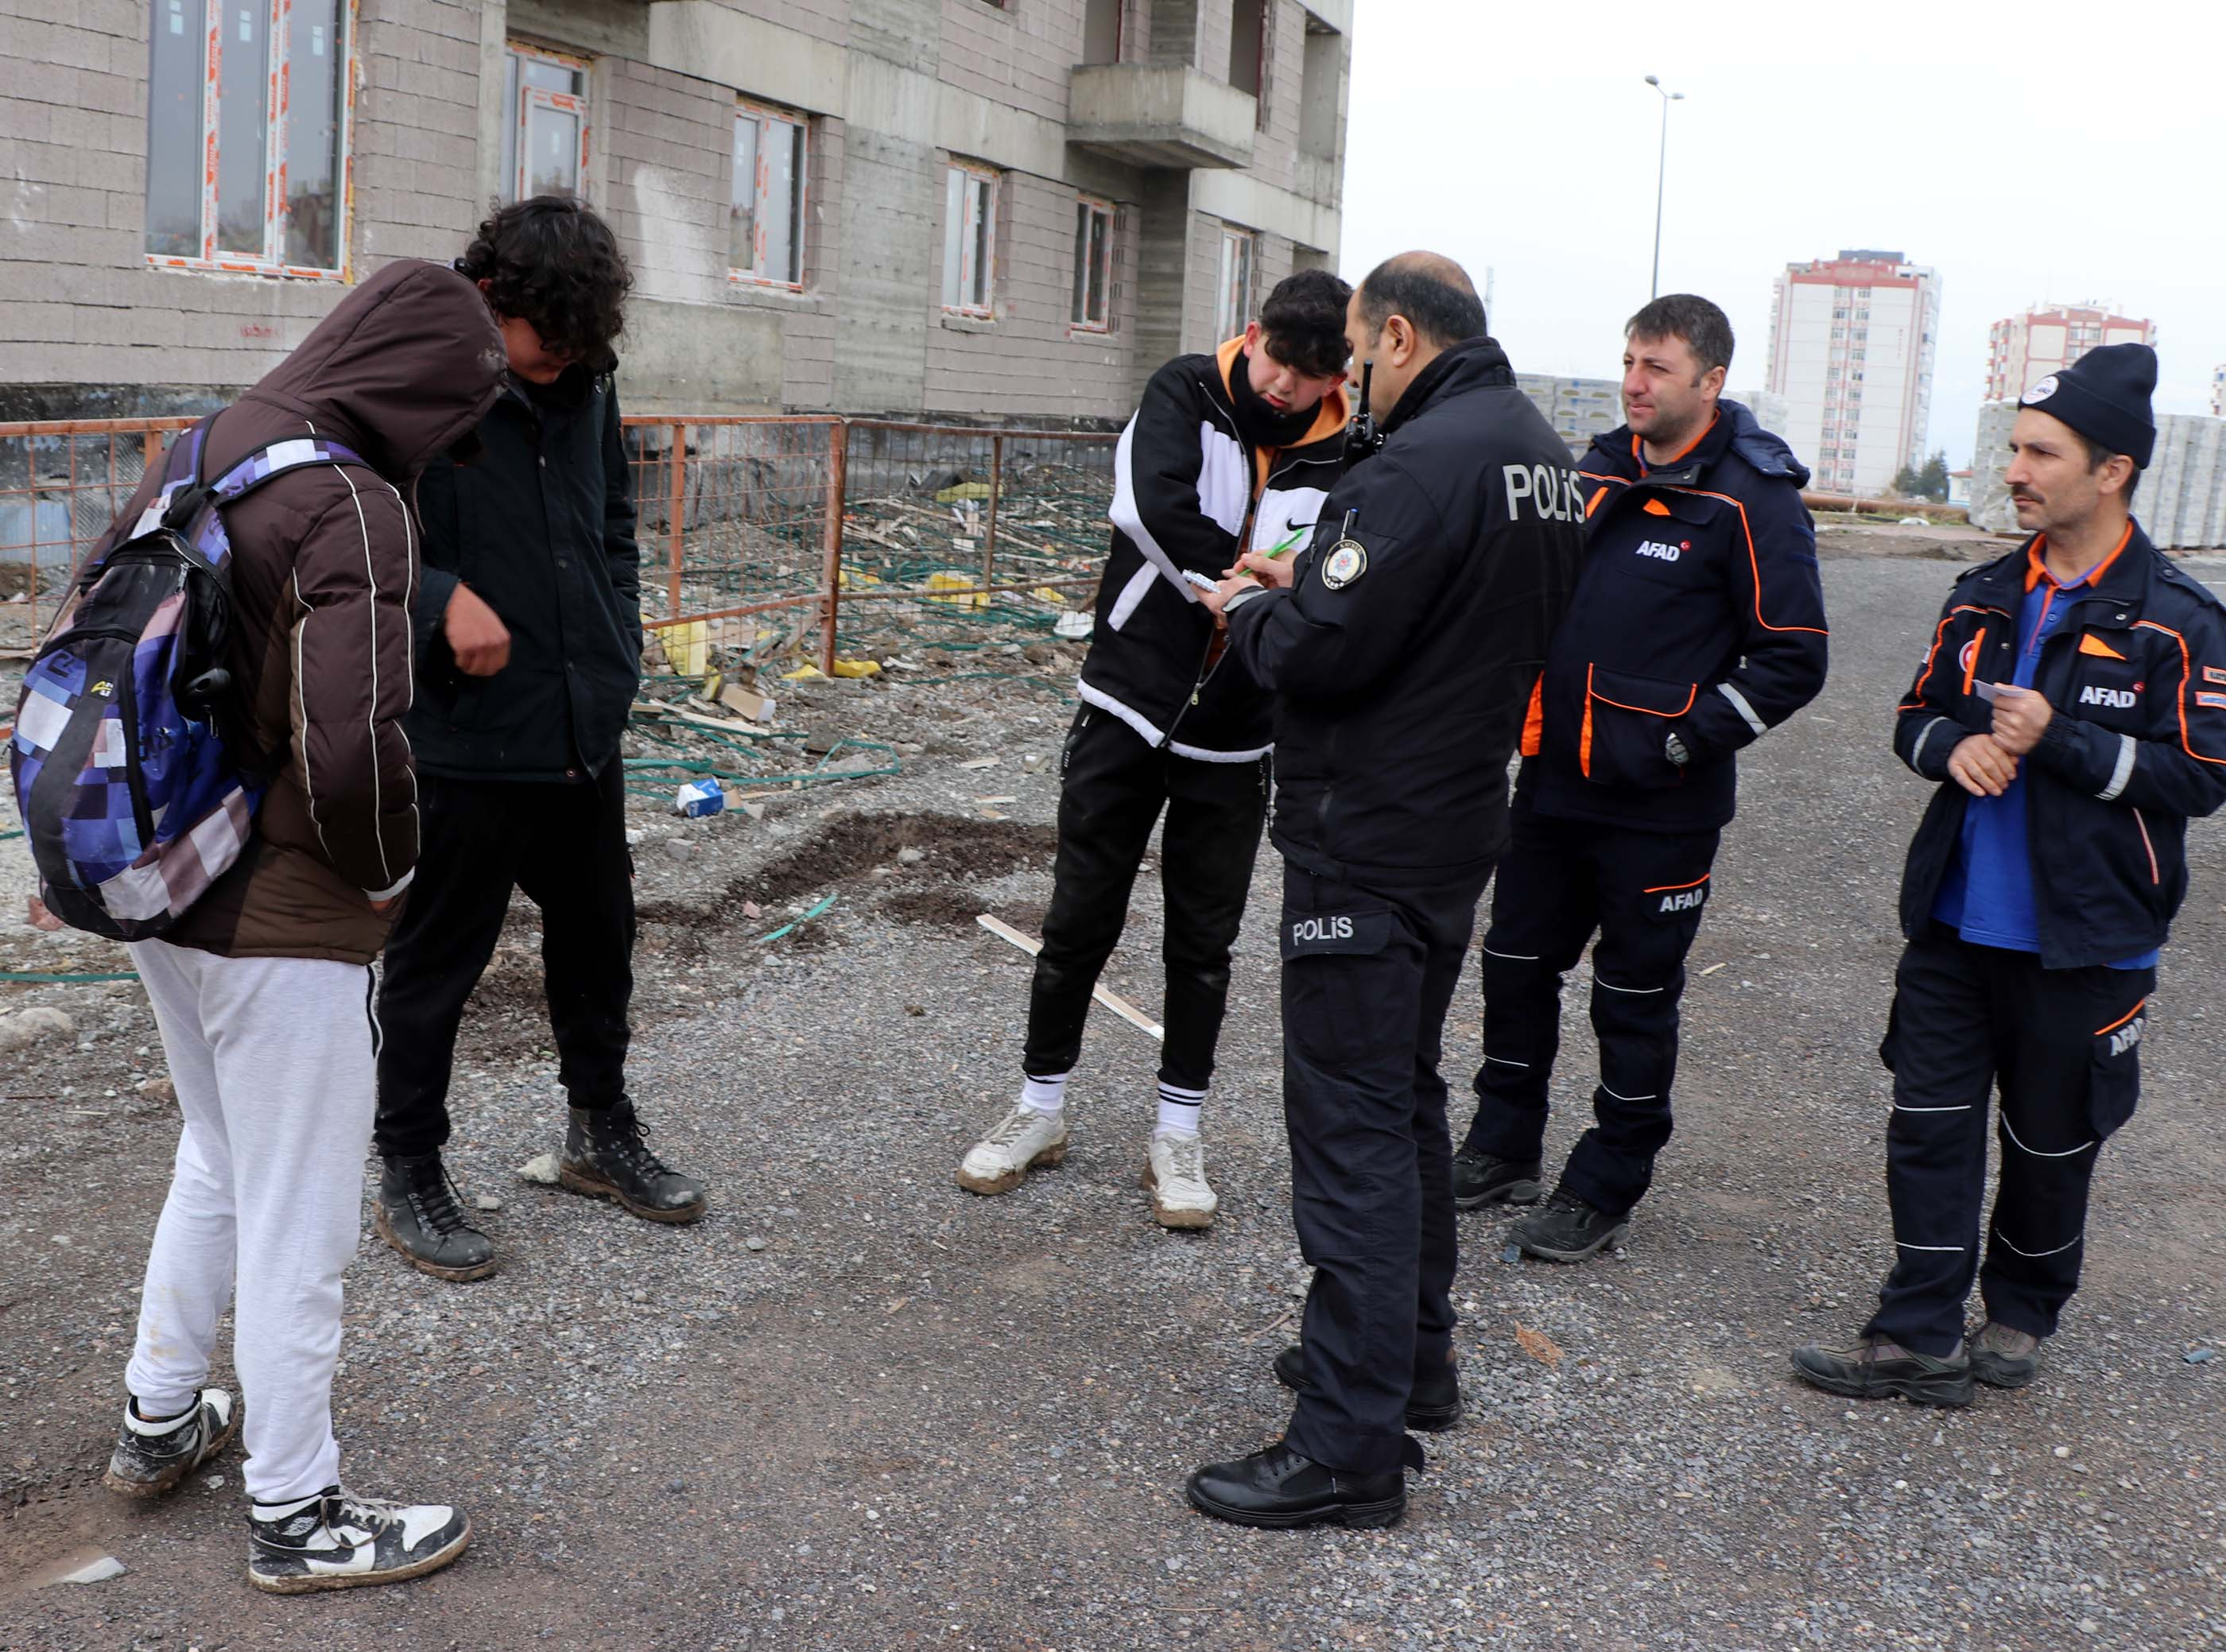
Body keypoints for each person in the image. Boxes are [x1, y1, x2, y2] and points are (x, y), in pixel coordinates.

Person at [92, 260, 506, 1590]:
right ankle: (297, 1508)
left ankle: (161, 1412)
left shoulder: (212, 443)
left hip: (163, 866)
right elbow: (352, 752)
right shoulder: (356, 502)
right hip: (280, 909)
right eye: (458, 409)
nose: (454, 439)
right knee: (304, 1209)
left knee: (219, 1153)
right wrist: (387, 878)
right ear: (422, 390)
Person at [1184, 253, 1584, 1527]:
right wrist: (1320, 592)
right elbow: (1444, 614)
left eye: (1356, 355)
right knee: (1404, 1101)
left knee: (1350, 1130)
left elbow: (1325, 650)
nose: (1348, 379)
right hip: (1457, 821)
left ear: (1400, 336)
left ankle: (1348, 1446)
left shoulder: (1414, 465)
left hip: (1367, 835)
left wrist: (1255, 607)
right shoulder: (1537, 453)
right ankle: (1412, 1361)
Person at [1794, 343, 2226, 1406]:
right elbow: (1912, 713)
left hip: (2088, 938)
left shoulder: (2179, 617)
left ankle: (2023, 1312)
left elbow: (2205, 774)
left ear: (2111, 468)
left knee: (2051, 1141)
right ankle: (1917, 1334)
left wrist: (2060, 741)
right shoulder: (1985, 590)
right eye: (2017, 448)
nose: (2017, 470)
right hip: (1953, 924)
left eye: (2042, 451)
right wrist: (1952, 748)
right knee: (1929, 1128)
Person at [955, 269, 1352, 1230]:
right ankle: (1038, 1109)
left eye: (1311, 374)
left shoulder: (1349, 444)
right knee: (1076, 920)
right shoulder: (1183, 388)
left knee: (1203, 942)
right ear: (1251, 334)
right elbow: (1148, 506)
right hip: (1125, 701)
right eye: (1279, 361)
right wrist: (1253, 583)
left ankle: (1178, 1131)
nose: (1287, 387)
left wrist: (1273, 593)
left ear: (1339, 374)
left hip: (1235, 724)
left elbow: (1342, 556)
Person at [1452, 294, 1828, 1262]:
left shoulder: (1753, 496)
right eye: (1628, 360)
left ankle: (1606, 1180)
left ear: (1709, 381)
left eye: (1656, 367)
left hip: (1659, 807)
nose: (1633, 382)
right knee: (1515, 968)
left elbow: (1792, 657)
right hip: (1551, 783)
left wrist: (1677, 742)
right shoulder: (1596, 469)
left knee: (1631, 999)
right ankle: (1502, 1145)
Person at [372, 198, 705, 1282]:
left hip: (577, 721)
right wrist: (435, 599)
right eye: (545, 340)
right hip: (462, 736)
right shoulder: (414, 378)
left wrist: (618, 647)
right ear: (489, 296)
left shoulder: (586, 375)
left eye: (581, 343)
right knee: (436, 965)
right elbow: (325, 524)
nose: (561, 362)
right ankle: (410, 1165)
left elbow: (612, 523)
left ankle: (598, 1130)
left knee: (600, 935)